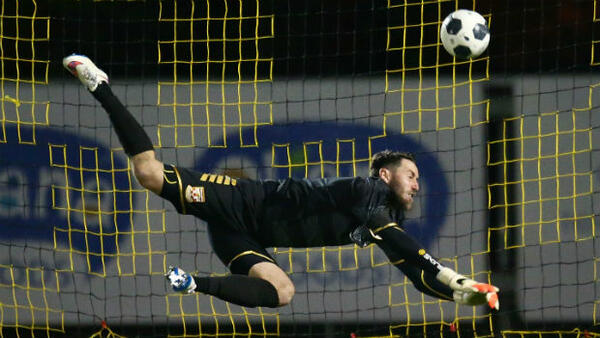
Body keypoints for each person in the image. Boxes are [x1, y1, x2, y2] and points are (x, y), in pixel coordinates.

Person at [63, 54, 499, 310]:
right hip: (244, 202)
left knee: (283, 292)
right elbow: (405, 248)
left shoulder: (380, 216)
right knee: (148, 173)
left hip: (245, 234)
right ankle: (101, 86)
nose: (416, 184)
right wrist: (449, 275)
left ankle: (192, 283)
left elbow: (410, 270)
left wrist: (460, 296)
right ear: (385, 175)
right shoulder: (370, 194)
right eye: (411, 175)